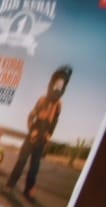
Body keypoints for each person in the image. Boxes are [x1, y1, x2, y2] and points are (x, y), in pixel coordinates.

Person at [8, 65, 70, 198]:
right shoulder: (42, 99)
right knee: (21, 160)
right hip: (34, 131)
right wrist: (31, 131)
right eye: (57, 83)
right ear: (52, 83)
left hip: (43, 136)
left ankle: (28, 190)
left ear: (63, 88)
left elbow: (54, 122)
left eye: (62, 85)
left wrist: (49, 135)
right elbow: (31, 115)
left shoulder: (59, 104)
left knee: (34, 166)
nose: (58, 86)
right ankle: (10, 185)